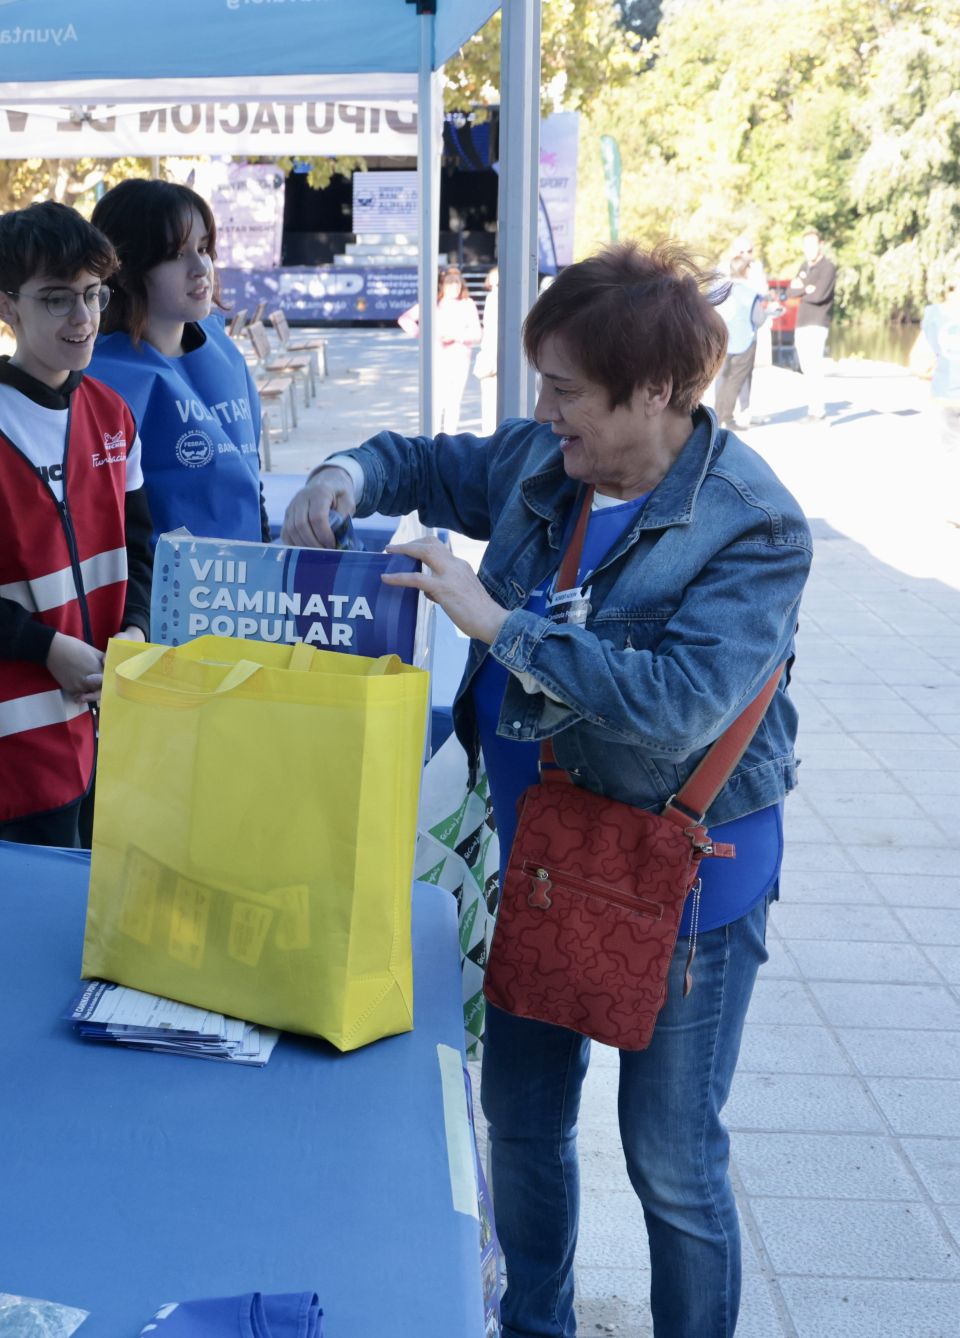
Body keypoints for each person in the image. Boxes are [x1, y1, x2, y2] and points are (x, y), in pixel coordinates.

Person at [284, 243, 810, 1338]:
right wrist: (343, 474)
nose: (542, 412)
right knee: (520, 1122)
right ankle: (534, 1324)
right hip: (540, 861)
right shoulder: (544, 460)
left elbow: (679, 703)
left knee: (671, 1162)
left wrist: (500, 625)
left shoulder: (753, 524)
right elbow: (424, 462)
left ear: (654, 391)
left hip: (683, 887)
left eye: (566, 391)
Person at [0, 201, 154, 847]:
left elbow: (139, 545)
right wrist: (45, 648)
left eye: (94, 294)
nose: (84, 318)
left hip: (108, 703)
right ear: (5, 306)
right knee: (46, 887)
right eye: (57, 299)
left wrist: (135, 628)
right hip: (15, 725)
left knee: (105, 880)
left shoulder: (112, 414)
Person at [87, 179, 266, 543]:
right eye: (176, 254)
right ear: (126, 269)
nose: (201, 267)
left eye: (203, 248)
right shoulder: (99, 380)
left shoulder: (222, 349)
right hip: (160, 576)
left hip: (248, 569)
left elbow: (250, 477)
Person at [399, 265, 485, 435]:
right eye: (450, 283)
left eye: (457, 283)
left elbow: (477, 333)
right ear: (442, 285)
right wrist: (424, 335)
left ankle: (449, 438)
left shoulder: (467, 304)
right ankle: (433, 437)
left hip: (460, 359)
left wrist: (457, 337)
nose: (454, 287)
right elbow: (405, 319)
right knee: (437, 401)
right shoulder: (433, 304)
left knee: (454, 402)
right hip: (437, 358)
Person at [712, 255, 769, 431]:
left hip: (723, 342)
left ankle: (717, 417)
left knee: (722, 379)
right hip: (744, 342)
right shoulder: (749, 293)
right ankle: (727, 418)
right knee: (734, 381)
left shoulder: (721, 291)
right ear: (746, 270)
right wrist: (768, 313)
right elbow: (758, 319)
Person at [909, 272, 960, 455]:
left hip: (946, 394)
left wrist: (933, 373)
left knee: (950, 450)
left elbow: (918, 364)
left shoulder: (936, 315)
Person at [790, 229, 836, 420]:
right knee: (806, 368)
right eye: (806, 246)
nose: (808, 249)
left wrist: (801, 288)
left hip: (817, 322)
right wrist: (806, 288)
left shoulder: (828, 268)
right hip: (802, 322)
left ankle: (818, 411)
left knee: (814, 367)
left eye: (812, 245)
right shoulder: (804, 266)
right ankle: (812, 409)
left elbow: (819, 296)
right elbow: (790, 292)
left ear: (820, 245)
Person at [476, 265, 501, 435]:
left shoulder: (495, 298)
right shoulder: (492, 298)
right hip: (490, 354)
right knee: (489, 402)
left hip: (493, 354)